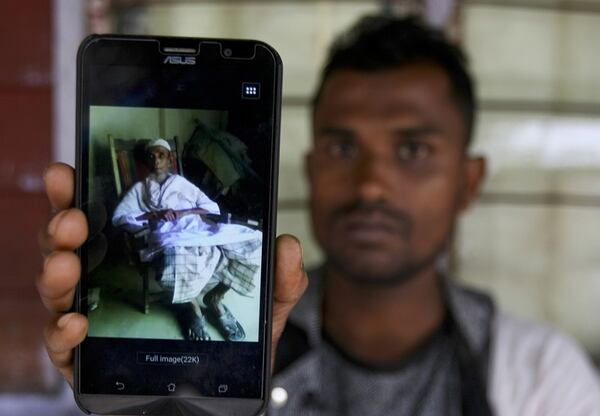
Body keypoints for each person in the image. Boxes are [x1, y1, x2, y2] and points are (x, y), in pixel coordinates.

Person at [38, 15, 600, 415]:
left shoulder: (541, 377)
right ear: (309, 166)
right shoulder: (253, 360)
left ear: (468, 181)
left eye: (413, 150)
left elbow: (208, 208)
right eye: (342, 147)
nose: (373, 184)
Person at [113, 138, 262, 342]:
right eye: (152, 156)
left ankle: (215, 299)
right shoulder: (140, 190)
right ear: (147, 162)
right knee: (174, 264)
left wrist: (184, 212)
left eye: (161, 155)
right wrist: (153, 215)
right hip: (167, 235)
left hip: (195, 228)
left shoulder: (181, 184)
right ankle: (194, 310)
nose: (156, 160)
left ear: (170, 160)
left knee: (253, 244)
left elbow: (211, 207)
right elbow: (120, 217)